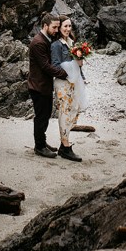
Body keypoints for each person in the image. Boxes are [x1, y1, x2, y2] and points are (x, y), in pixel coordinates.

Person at [27, 13, 66, 158]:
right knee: (41, 117)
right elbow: (45, 66)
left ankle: (42, 142)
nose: (56, 30)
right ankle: (39, 147)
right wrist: (65, 73)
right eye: (54, 27)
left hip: (43, 85)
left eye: (57, 27)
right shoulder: (38, 42)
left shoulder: (47, 38)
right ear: (45, 26)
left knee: (46, 115)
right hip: (38, 86)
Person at [50, 16, 88, 162]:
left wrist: (80, 70)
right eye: (64, 26)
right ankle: (65, 147)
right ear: (59, 28)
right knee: (64, 113)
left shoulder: (72, 43)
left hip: (73, 82)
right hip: (63, 83)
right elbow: (55, 65)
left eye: (69, 26)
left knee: (74, 109)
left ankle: (63, 144)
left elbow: (76, 64)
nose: (67, 29)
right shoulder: (56, 45)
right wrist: (69, 74)